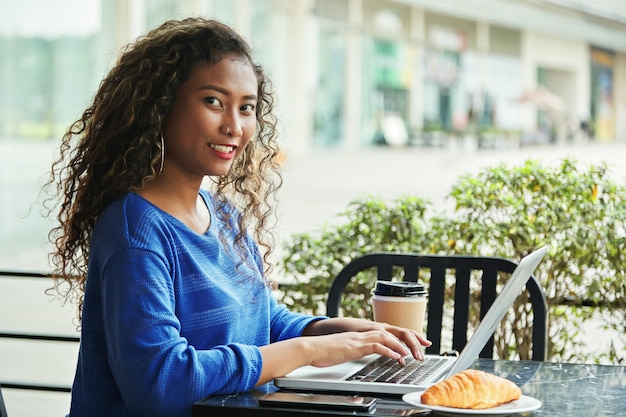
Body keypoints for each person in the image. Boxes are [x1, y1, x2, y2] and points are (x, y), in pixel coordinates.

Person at [45, 17, 431, 417]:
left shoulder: (224, 216)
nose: (234, 126)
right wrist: (309, 350)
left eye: (246, 108)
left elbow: (263, 320)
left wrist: (340, 331)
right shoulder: (134, 229)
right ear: (160, 105)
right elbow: (161, 383)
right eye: (213, 101)